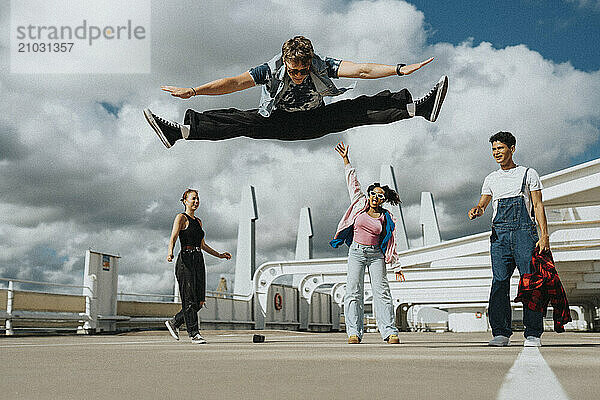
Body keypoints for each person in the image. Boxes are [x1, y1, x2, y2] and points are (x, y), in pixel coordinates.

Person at [143, 36, 448, 148]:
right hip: (278, 121)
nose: (300, 75)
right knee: (238, 120)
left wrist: (398, 69)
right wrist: (194, 91)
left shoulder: (322, 64)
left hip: (316, 120)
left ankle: (419, 109)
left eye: (304, 70)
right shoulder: (270, 69)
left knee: (357, 108)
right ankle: (180, 133)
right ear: (285, 62)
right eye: (294, 70)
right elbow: (234, 83)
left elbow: (361, 70)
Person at [468, 131, 550, 347]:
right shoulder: (491, 179)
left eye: (501, 148)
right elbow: (484, 203)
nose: (497, 152)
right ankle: (501, 333)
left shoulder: (528, 174)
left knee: (530, 282)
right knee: (499, 283)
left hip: (525, 233)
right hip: (500, 237)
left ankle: (533, 334)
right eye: (494, 149)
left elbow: (538, 205)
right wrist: (477, 209)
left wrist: (544, 236)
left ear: (512, 149)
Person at [330, 142, 405, 344]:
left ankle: (389, 332)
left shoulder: (387, 217)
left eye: (379, 196)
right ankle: (353, 332)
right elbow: (352, 182)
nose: (375, 197)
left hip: (375, 256)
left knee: (382, 292)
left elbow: (391, 244)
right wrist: (346, 160)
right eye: (373, 193)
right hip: (356, 252)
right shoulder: (360, 203)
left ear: (384, 199)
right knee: (353, 291)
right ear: (369, 194)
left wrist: (396, 266)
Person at [164, 188, 232, 344]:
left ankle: (174, 322)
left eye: (197, 199)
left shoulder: (198, 222)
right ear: (185, 201)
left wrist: (220, 255)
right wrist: (170, 253)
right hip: (185, 260)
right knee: (188, 298)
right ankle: (194, 333)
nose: (196, 201)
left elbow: (203, 245)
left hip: (198, 260)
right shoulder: (181, 218)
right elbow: (173, 237)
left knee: (200, 301)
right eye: (193, 198)